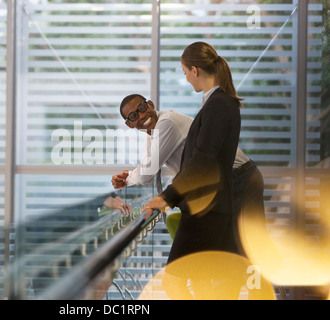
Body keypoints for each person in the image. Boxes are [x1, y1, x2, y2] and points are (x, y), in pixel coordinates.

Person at [112, 93, 266, 256]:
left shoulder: (167, 123)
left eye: (142, 107)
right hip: (230, 182)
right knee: (233, 251)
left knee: (247, 249)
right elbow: (149, 165)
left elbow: (147, 172)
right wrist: (127, 178)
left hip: (239, 179)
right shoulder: (154, 133)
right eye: (134, 115)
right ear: (130, 124)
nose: (142, 115)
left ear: (150, 104)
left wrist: (127, 179)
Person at [142, 41, 244, 263]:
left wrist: (167, 197)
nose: (187, 78)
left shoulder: (218, 105)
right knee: (201, 280)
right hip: (209, 208)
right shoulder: (219, 103)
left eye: (186, 72)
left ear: (195, 70)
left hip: (207, 211)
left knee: (176, 277)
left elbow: (202, 161)